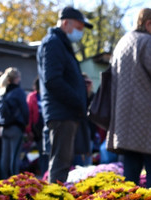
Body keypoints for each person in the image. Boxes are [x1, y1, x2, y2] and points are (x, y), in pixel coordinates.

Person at [106, 8, 151, 188]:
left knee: (130, 177)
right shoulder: (148, 42)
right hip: (149, 120)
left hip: (126, 121)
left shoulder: (122, 43)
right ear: (148, 24)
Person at [37, 6, 92, 183]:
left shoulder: (61, 44)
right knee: (60, 163)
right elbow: (52, 80)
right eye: (79, 27)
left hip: (66, 112)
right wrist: (77, 99)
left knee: (63, 161)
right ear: (66, 22)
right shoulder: (53, 43)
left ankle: (57, 198)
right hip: (61, 113)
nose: (80, 32)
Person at [0, 67, 28, 179]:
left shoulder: (3, 91)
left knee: (4, 156)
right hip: (15, 127)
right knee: (14, 156)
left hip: (4, 128)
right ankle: (14, 180)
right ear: (17, 78)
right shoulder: (18, 92)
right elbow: (25, 110)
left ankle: (3, 180)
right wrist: (25, 123)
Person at [25, 77, 45, 175]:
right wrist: (29, 130)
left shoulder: (47, 94)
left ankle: (46, 172)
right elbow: (29, 114)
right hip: (37, 129)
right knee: (42, 152)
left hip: (48, 127)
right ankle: (43, 173)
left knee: (48, 152)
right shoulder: (32, 97)